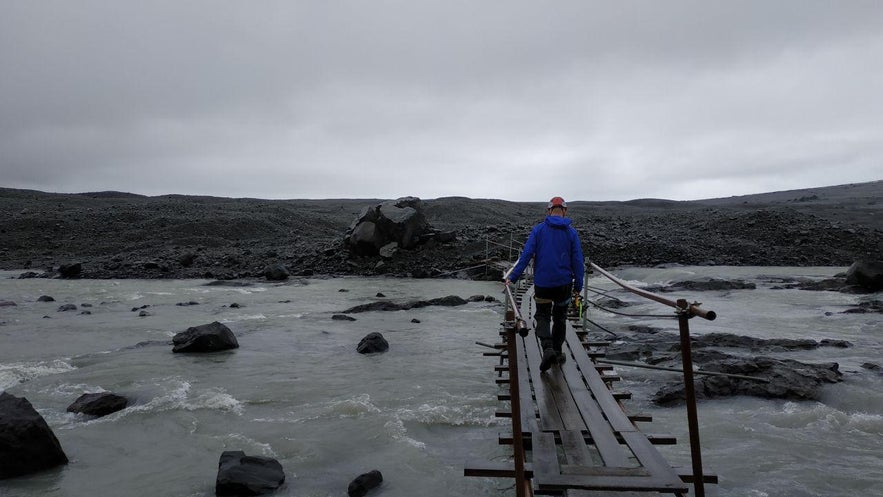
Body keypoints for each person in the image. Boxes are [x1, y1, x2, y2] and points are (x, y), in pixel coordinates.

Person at [505, 196, 585, 372]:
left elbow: (526, 255)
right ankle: (557, 352)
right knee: (560, 318)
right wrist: (578, 286)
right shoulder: (571, 233)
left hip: (542, 284)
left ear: (549, 211)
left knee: (542, 315)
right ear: (564, 211)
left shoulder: (538, 230)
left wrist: (514, 276)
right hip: (564, 284)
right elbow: (578, 261)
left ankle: (547, 348)